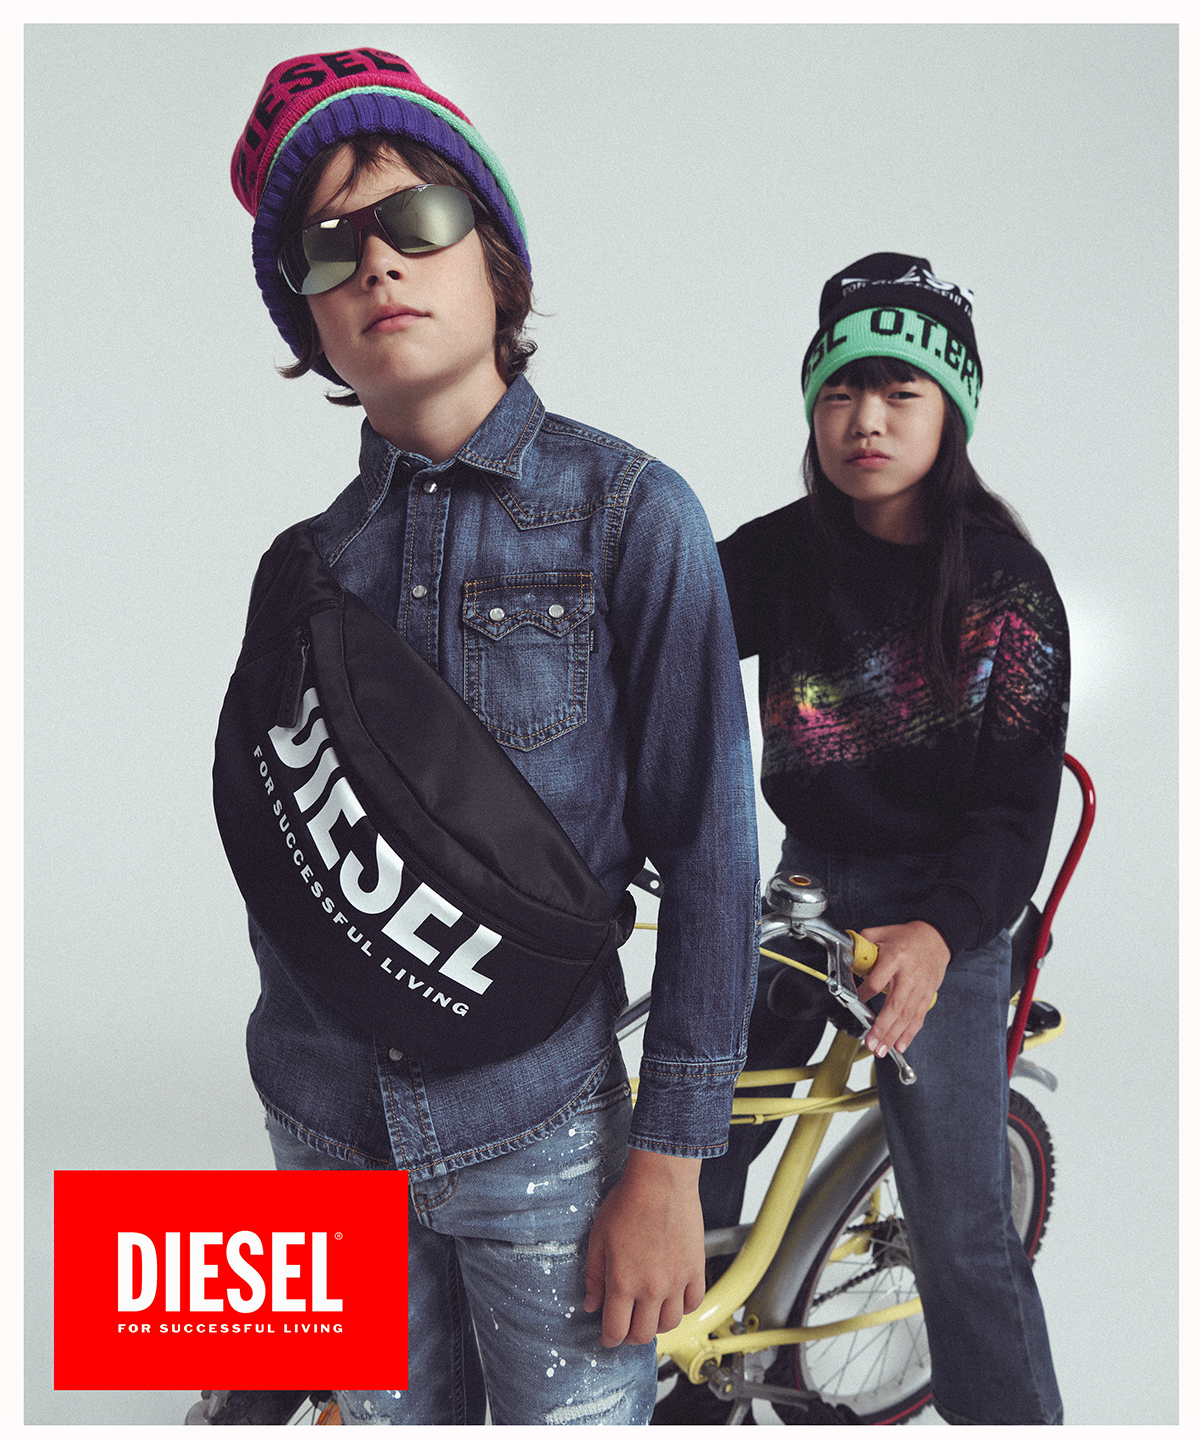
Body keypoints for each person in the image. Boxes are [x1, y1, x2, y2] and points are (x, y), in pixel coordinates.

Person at [203, 46, 759, 1427]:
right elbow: (287, 872)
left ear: (495, 260)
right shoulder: (300, 571)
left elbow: (710, 856)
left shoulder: (634, 516)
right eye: (329, 246)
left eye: (416, 216)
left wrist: (672, 1164)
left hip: (541, 1136)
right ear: (309, 319)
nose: (378, 262)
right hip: (326, 1140)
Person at [655, 253, 1069, 1426]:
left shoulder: (1008, 589)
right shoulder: (785, 552)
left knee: (958, 1230)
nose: (866, 420)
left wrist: (939, 936)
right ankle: (692, 1369)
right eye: (839, 392)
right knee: (690, 1130)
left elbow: (1015, 816)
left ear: (952, 412)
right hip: (804, 889)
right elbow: (657, 634)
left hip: (948, 909)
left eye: (900, 393)